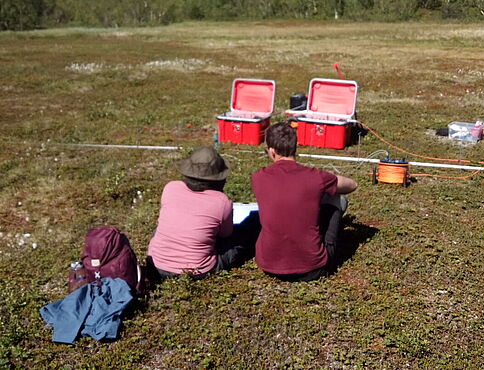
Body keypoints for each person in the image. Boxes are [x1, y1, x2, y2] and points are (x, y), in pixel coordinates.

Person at [251, 121, 358, 282]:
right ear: (296, 146)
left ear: (272, 151)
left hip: (268, 264)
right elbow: (352, 185)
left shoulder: (258, 177)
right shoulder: (316, 177)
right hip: (314, 267)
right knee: (336, 196)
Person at [147, 146, 258, 280]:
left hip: (156, 265)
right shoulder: (221, 201)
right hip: (197, 270)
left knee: (158, 230)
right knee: (241, 238)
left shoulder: (171, 187)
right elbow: (225, 235)